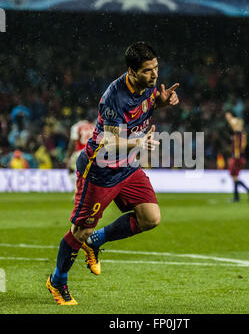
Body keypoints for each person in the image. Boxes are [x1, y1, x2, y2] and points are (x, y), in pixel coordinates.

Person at [46, 41, 179, 305]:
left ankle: (97, 241)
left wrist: (161, 103)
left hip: (127, 167)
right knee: (79, 231)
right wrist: (138, 143)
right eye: (147, 71)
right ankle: (57, 280)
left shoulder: (147, 88)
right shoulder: (114, 97)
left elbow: (144, 110)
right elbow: (109, 141)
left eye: (156, 68)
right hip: (101, 170)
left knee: (150, 218)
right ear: (131, 71)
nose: (154, 75)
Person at [225, 111, 249, 202]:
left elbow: (239, 147)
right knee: (235, 177)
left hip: (237, 158)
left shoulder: (238, 134)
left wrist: (236, 157)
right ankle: (241, 195)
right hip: (239, 157)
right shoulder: (242, 134)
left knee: (234, 177)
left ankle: (244, 193)